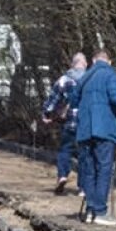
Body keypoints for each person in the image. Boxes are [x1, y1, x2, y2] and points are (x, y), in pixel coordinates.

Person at [70, 49, 116, 226]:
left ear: (93, 60)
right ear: (109, 61)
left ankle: (90, 209)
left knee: (89, 170)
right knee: (104, 169)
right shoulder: (110, 74)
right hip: (104, 129)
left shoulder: (84, 76)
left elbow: (73, 100)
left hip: (84, 130)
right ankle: (100, 211)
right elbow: (115, 96)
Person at [41, 53, 87, 195]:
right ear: (85, 64)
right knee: (84, 154)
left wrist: (46, 114)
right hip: (86, 122)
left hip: (69, 122)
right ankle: (83, 188)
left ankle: (62, 175)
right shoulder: (89, 79)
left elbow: (53, 100)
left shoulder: (64, 80)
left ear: (72, 64)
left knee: (65, 150)